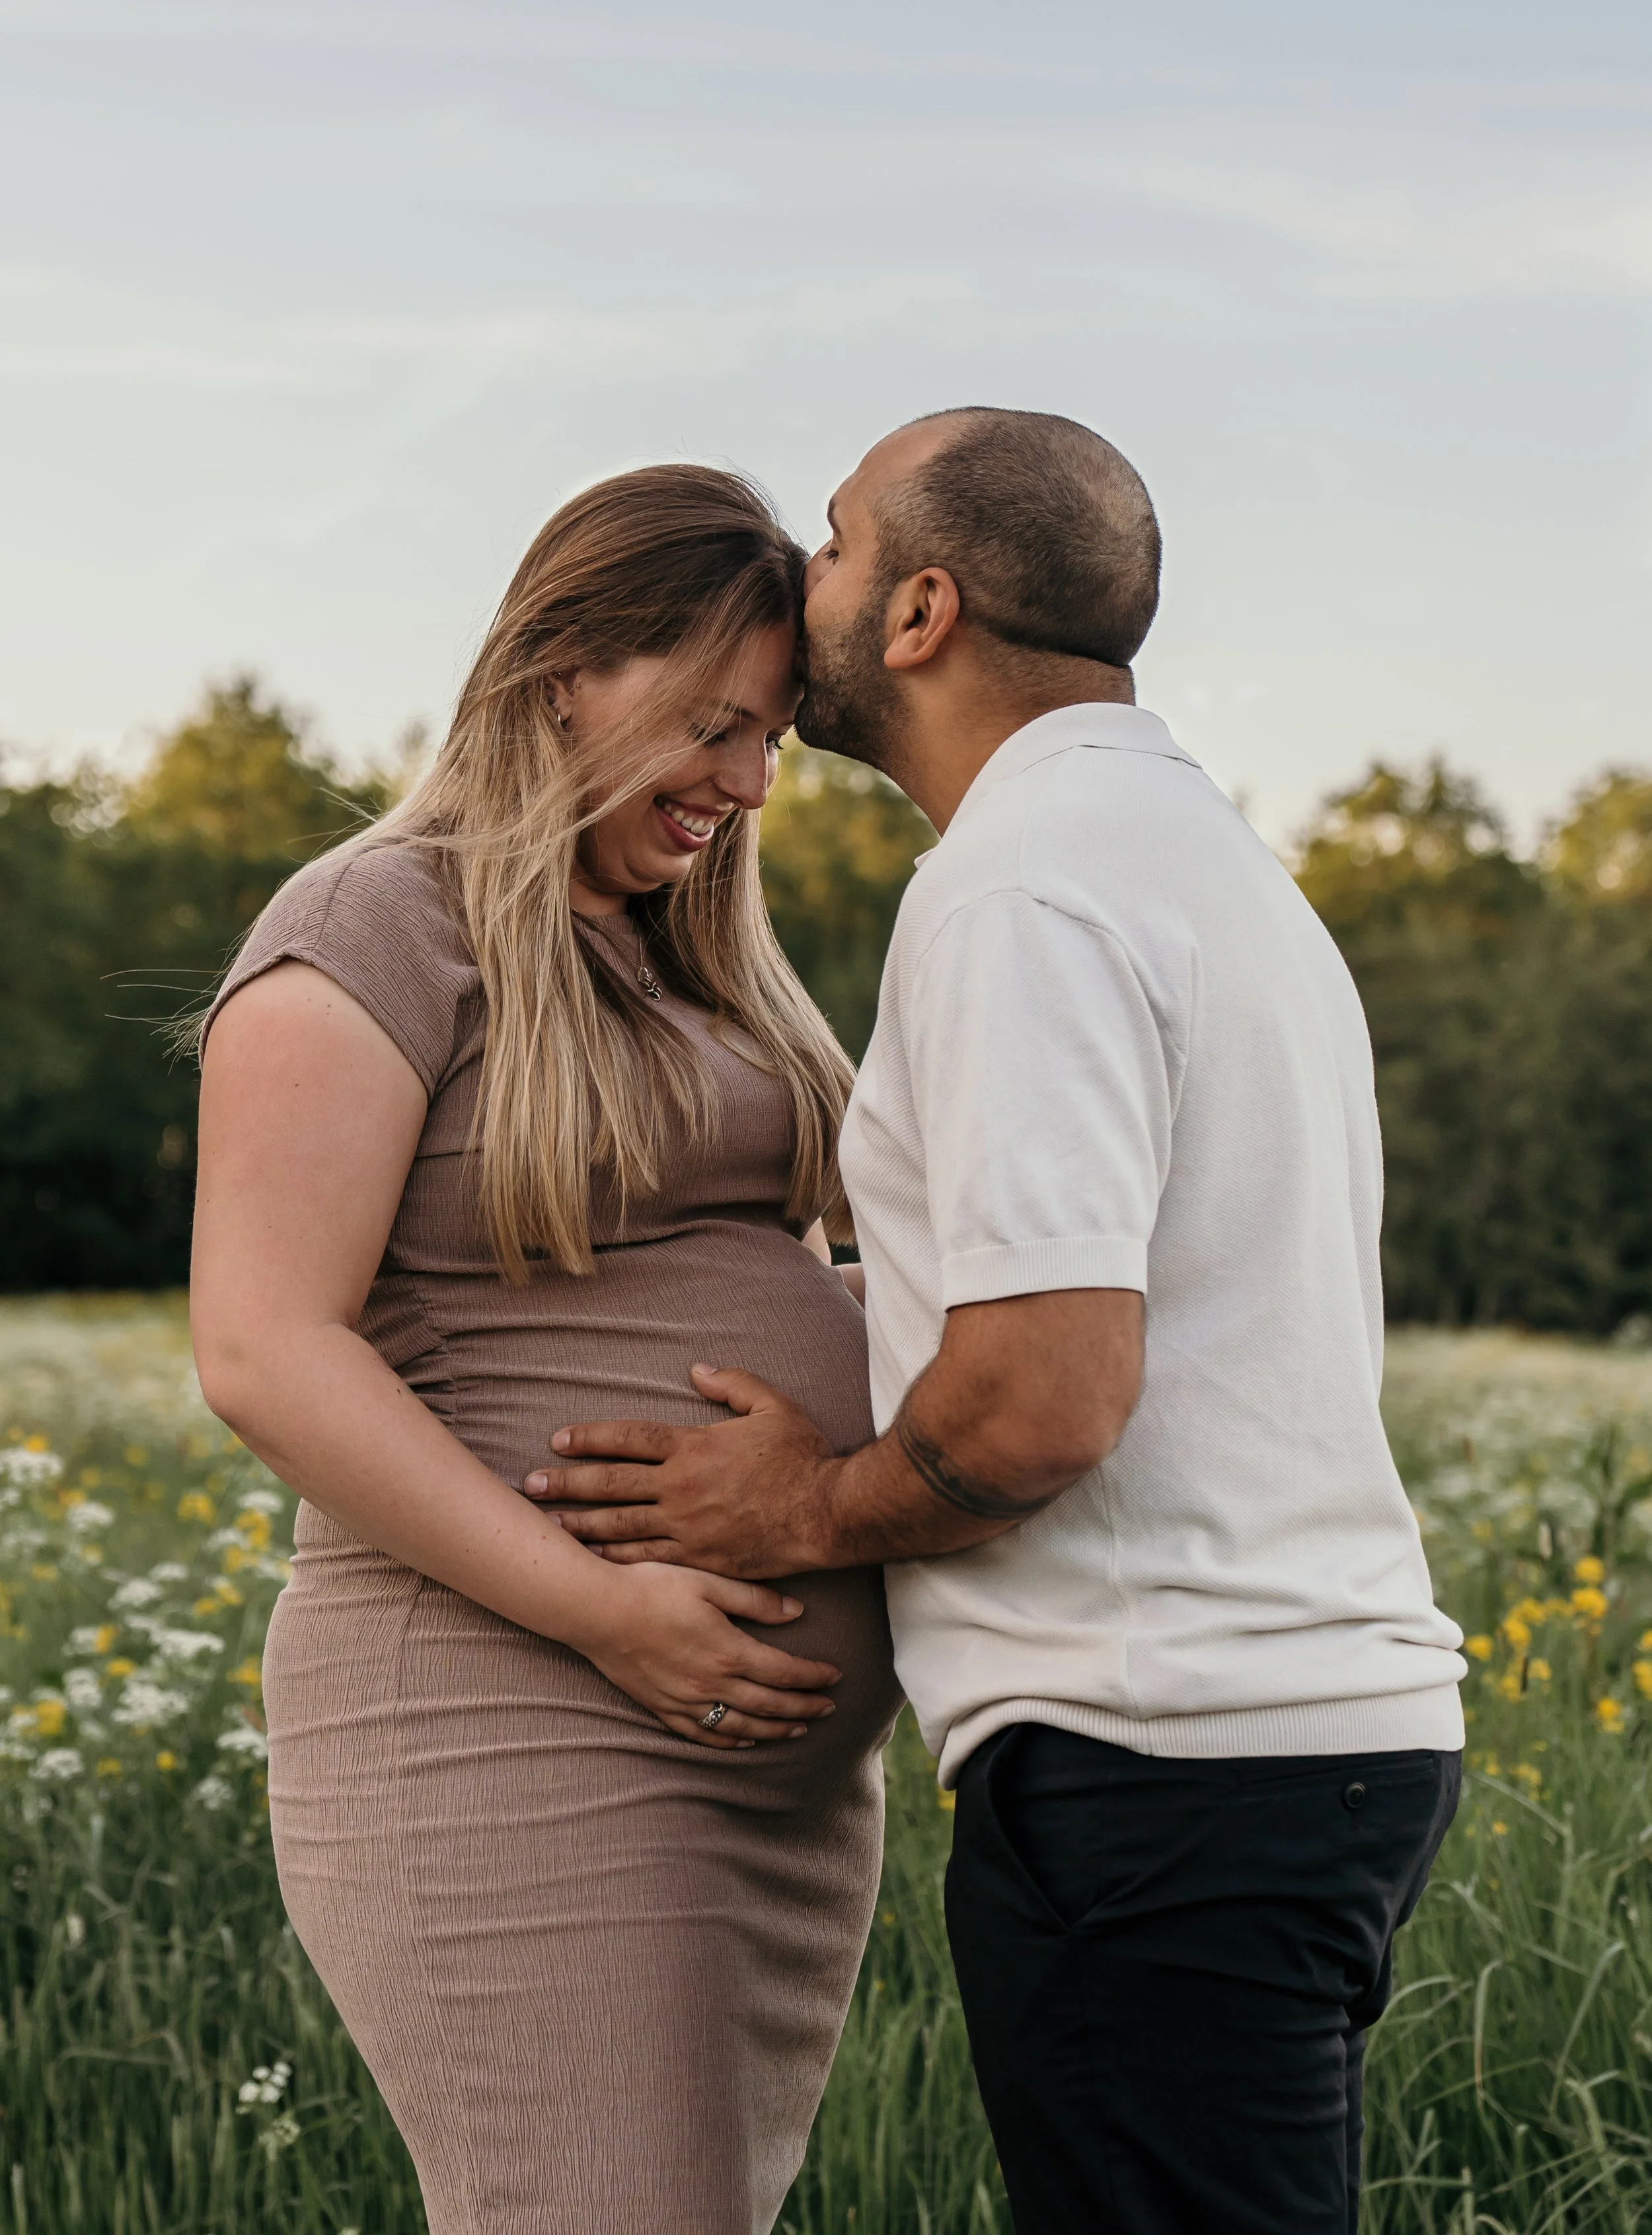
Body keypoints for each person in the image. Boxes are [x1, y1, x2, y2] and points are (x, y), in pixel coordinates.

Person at [525, 409, 1469, 2234]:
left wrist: (793, 1508)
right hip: (1285, 1745)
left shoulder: (1020, 889)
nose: (799, 578)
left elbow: (1041, 1400)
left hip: (1162, 1759)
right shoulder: (1197, 862)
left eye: (834, 536)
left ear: (920, 608)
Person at [189, 465, 903, 2235]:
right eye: (712, 727)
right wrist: (604, 1606)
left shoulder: (686, 957)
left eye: (769, 748)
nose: (743, 787)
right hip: (511, 1721)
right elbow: (265, 1347)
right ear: (565, 663)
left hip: (753, 1787)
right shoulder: (375, 925)